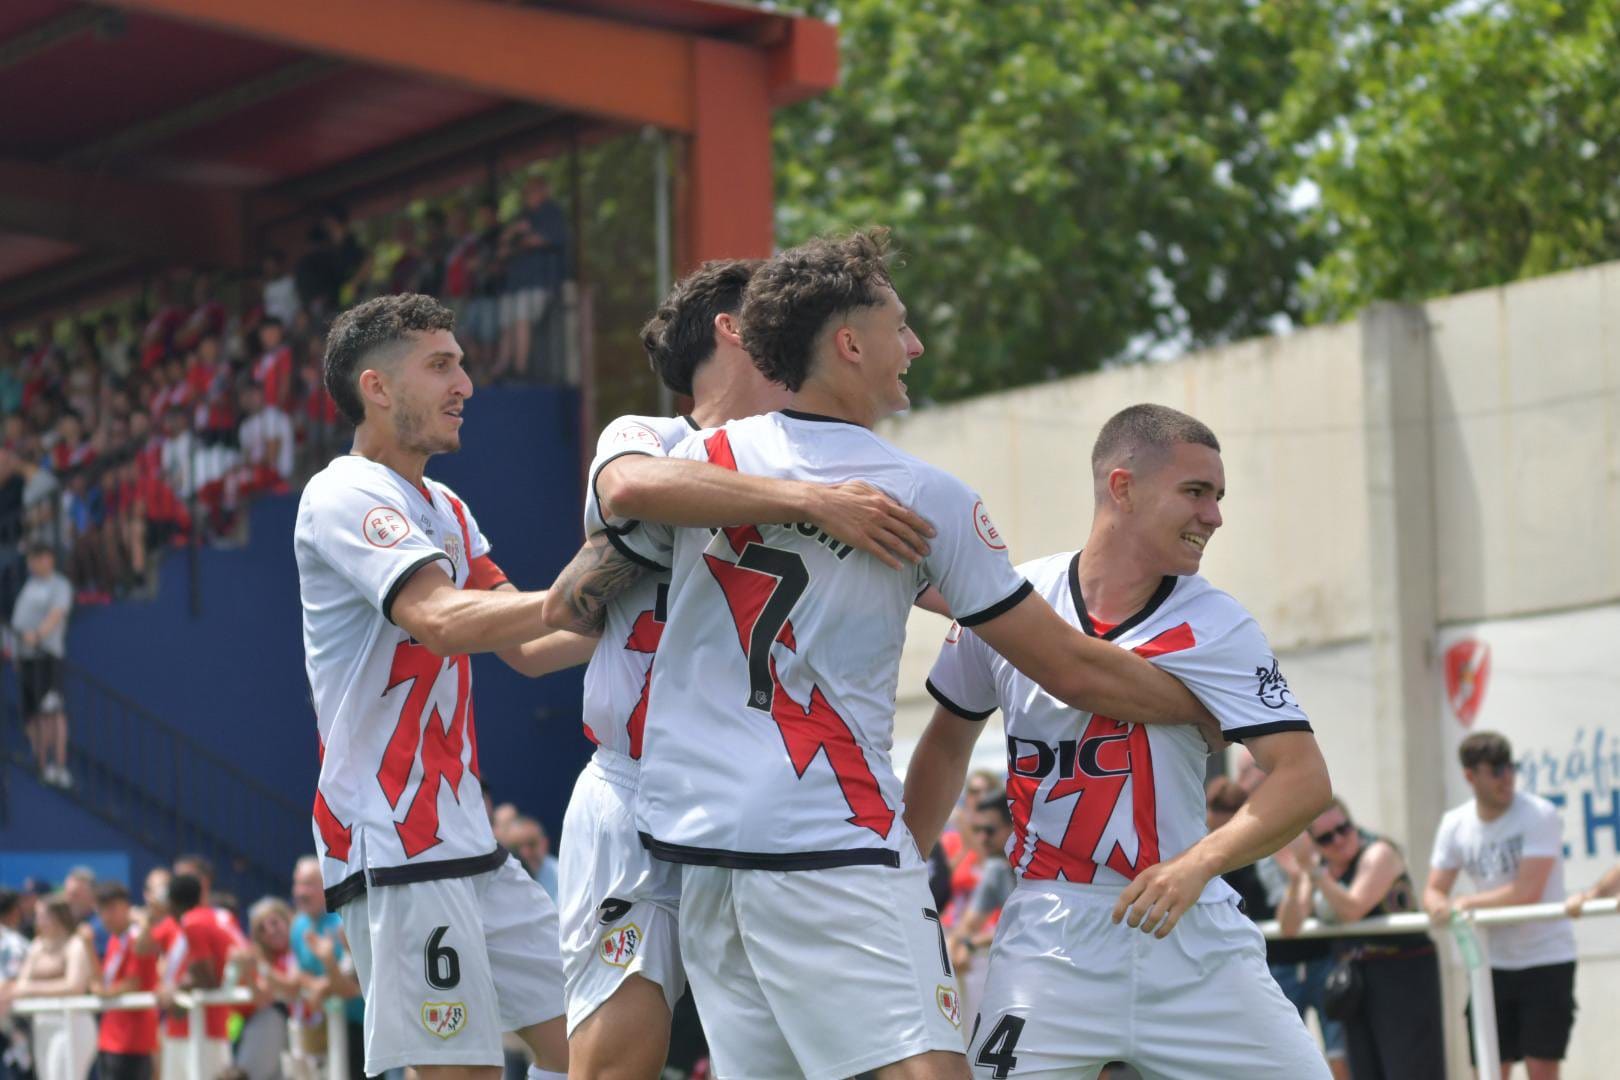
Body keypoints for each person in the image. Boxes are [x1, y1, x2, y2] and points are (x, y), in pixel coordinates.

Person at [554, 231, 1214, 1080]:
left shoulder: (695, 461)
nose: (916, 347)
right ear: (848, 344)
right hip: (833, 844)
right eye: (899, 326)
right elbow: (1071, 668)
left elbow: (614, 513)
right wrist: (1208, 704)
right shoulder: (922, 494)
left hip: (709, 856)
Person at [540, 257, 937, 1080]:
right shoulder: (652, 438)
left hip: (759, 805)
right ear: (733, 329)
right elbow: (602, 540)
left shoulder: (827, 462)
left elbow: (948, 577)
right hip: (638, 791)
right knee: (621, 1061)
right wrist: (810, 504)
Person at [912, 403, 1332, 1079]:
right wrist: (902, 884)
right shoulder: (1013, 600)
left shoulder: (1220, 625)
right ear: (1122, 487)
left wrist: (1197, 865)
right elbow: (945, 748)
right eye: (1196, 492)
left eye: (1219, 497)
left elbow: (1303, 778)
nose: (1214, 516)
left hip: (1194, 939)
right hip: (1051, 938)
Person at [294, 292, 576, 1079]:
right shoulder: (342, 493)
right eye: (442, 364)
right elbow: (442, 619)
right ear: (377, 388)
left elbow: (528, 646)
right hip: (392, 840)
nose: (467, 384)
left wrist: (655, 609)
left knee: (603, 1050)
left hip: (470, 843)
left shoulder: (446, 505)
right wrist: (596, 574)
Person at [1424, 731, 1578, 1080]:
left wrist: (1462, 904)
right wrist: (1437, 905)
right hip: (1489, 964)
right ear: (1469, 776)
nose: (1506, 778)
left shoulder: (1540, 813)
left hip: (1545, 958)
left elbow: (1527, 891)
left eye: (1510, 767)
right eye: (1495, 770)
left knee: (1542, 1069)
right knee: (1489, 1070)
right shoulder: (1455, 824)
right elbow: (1433, 890)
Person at [1278, 799, 1445, 1080]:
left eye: (1344, 828)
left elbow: (1352, 909)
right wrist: (1298, 877)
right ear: (1315, 843)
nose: (1340, 840)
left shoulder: (1379, 853)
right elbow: (1290, 926)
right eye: (1326, 838)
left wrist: (1315, 873)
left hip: (1403, 974)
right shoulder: (1319, 868)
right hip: (1356, 980)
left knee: (1409, 1070)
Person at [288, 857, 363, 1080]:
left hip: (360, 1025)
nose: (301, 891)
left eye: (309, 884)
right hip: (327, 1026)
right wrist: (321, 985)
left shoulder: (343, 919)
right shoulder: (298, 925)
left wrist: (325, 980)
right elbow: (300, 975)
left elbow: (355, 984)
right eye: (298, 883)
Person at [11, 895, 95, 1080]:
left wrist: (31, 989)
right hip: (42, 1024)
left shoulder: (75, 945)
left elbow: (74, 986)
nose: (37, 920)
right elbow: (21, 984)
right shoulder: (37, 946)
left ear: (57, 917)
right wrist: (27, 988)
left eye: (42, 915)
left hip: (72, 1022)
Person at [12, 542, 73, 787]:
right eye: (32, 559)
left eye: (38, 558)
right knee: (32, 715)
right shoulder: (29, 586)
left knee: (52, 712)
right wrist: (18, 652)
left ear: (49, 559)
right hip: (26, 659)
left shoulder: (59, 585)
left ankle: (59, 767)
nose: (34, 563)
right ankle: (41, 763)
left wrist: (37, 636)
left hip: (46, 657)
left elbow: (56, 615)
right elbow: (18, 622)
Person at [92, 882, 160, 1080]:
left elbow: (134, 983)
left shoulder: (137, 937)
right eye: (102, 910)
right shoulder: (116, 939)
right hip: (110, 1038)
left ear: (127, 908)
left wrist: (103, 993)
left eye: (112, 909)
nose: (106, 916)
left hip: (133, 1041)